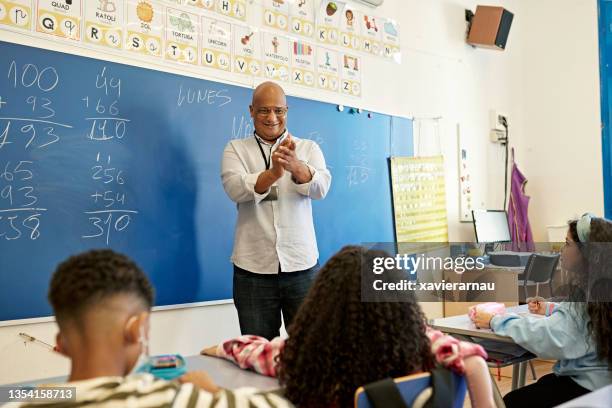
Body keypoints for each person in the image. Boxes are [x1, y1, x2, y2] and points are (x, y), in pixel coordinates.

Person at [203, 246, 496, 408]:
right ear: (402, 305)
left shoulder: (304, 356)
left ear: (321, 304)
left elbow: (256, 351)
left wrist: (216, 348)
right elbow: (472, 361)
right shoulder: (425, 347)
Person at [12, 249, 292, 407]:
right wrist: (213, 393)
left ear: (61, 344)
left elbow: (50, 394)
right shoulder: (173, 398)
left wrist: (40, 392)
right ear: (137, 329)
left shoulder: (25, 402)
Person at [221, 81, 331, 340]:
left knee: (311, 346)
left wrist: (296, 167)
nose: (272, 118)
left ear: (287, 111)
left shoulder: (307, 148)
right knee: (258, 349)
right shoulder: (235, 149)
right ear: (251, 110)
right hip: (253, 270)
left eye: (279, 111)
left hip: (302, 266)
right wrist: (272, 174)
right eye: (264, 111)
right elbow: (235, 189)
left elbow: (321, 188)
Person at [472, 214, 612, 407]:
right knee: (544, 384)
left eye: (567, 243)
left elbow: (546, 337)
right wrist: (552, 308)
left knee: (512, 401)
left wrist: (495, 320)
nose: (562, 250)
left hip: (586, 388)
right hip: (604, 385)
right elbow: (584, 318)